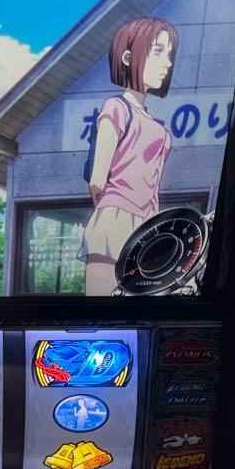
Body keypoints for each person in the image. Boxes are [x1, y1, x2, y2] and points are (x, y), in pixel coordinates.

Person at [81, 17, 177, 296]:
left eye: (169, 54)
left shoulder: (153, 121)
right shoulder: (116, 107)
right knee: (103, 309)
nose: (167, 63)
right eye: (158, 51)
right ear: (127, 57)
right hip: (117, 217)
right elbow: (98, 179)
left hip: (147, 225)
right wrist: (113, 214)